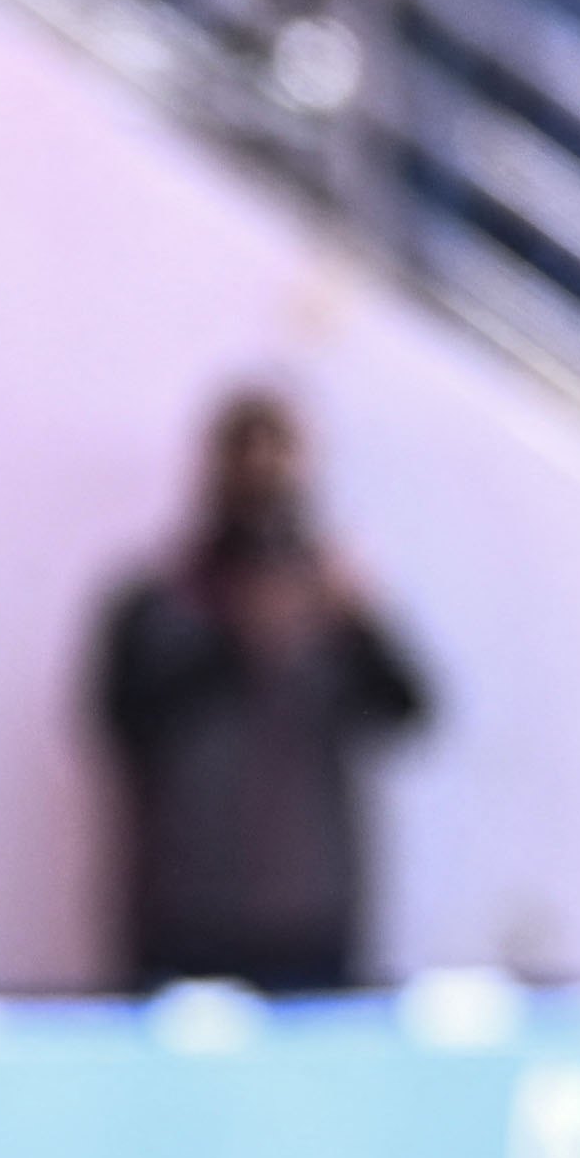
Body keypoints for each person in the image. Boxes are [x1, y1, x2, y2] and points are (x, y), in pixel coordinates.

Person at [93, 388, 430, 997]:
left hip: (311, 913)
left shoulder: (332, 602)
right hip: (186, 915)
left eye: (279, 458)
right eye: (246, 457)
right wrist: (231, 644)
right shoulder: (158, 601)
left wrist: (360, 623)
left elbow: (409, 712)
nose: (263, 480)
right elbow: (120, 726)